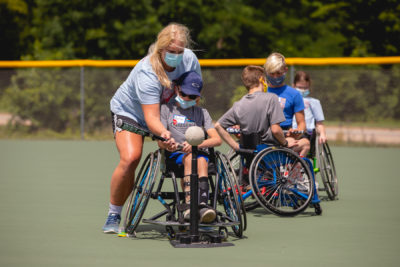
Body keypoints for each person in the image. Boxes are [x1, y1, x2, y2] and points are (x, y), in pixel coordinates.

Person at [103, 23, 201, 234]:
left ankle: (192, 206)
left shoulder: (190, 59)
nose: (176, 55)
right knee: (131, 157)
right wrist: (164, 133)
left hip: (168, 111)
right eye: (171, 52)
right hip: (132, 113)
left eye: (180, 51)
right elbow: (151, 118)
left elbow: (193, 93)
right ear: (160, 49)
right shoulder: (147, 72)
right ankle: (114, 213)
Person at [158, 71, 221, 223]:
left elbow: (217, 139)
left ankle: (203, 205)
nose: (188, 99)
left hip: (198, 152)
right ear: (177, 89)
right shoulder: (166, 109)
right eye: (185, 94)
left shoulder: (202, 112)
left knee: (199, 160)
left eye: (193, 96)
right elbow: (160, 141)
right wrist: (168, 144)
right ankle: (189, 205)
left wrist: (197, 144)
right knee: (189, 158)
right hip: (175, 155)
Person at [215, 65, 288, 157]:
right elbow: (276, 130)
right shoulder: (271, 98)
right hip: (269, 152)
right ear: (261, 79)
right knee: (299, 144)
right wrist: (285, 144)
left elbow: (218, 125)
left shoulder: (238, 105)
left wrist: (236, 147)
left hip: (248, 152)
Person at [263, 52, 310, 157]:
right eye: (272, 73)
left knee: (306, 143)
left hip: (284, 134)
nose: (275, 77)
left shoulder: (294, 94)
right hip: (262, 135)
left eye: (278, 73)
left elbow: (301, 123)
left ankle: (294, 171)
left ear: (285, 70)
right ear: (266, 72)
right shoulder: (261, 91)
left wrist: (297, 132)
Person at [292, 71, 327, 145]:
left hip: (307, 134)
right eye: (300, 87)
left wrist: (322, 134)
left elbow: (319, 123)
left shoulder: (314, 102)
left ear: (309, 86)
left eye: (305, 88)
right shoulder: (290, 100)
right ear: (294, 86)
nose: (303, 90)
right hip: (291, 132)